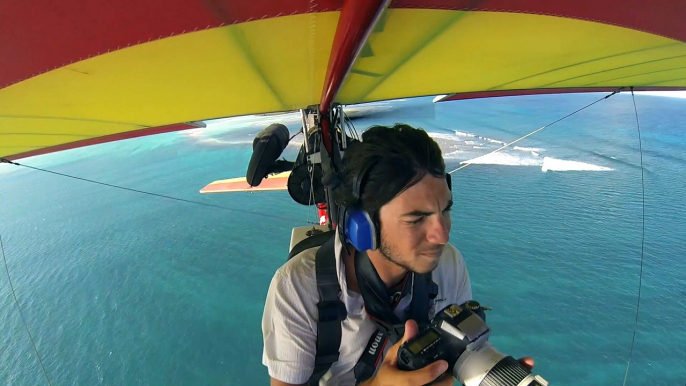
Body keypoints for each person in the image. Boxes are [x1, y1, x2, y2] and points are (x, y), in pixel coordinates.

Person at [261, 124, 532, 386]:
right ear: (363, 226)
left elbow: (464, 350)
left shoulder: (448, 264)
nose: (442, 236)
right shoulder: (298, 287)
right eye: (416, 219)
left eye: (445, 211)